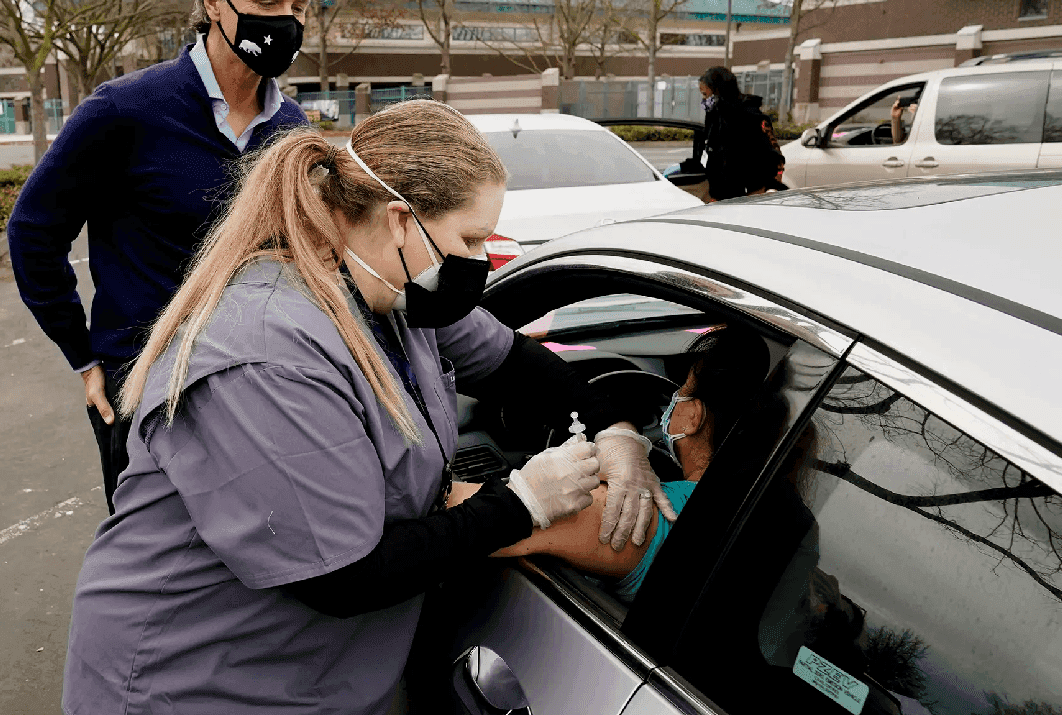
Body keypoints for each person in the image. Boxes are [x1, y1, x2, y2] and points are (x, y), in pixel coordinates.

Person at [62, 99, 676, 715]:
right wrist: (522, 505)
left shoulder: (393, 296)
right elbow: (342, 577)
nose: (480, 260)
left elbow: (512, 362)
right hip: (192, 676)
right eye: (470, 238)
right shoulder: (265, 355)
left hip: (304, 671)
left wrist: (616, 430)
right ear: (401, 220)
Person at [7, 0, 311, 515]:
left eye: (300, 7)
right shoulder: (124, 111)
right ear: (213, 0)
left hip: (260, 384)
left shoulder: (291, 132)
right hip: (146, 388)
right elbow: (33, 232)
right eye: (267, 1)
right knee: (159, 577)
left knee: (254, 566)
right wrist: (87, 357)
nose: (286, 22)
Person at [456, 325, 772, 602]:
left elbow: (453, 516)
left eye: (683, 389)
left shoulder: (629, 510)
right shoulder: (787, 513)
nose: (673, 400)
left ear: (692, 416)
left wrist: (532, 489)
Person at [689, 66, 787, 201]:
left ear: (718, 91)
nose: (704, 101)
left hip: (746, 192)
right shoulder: (716, 118)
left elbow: (772, 154)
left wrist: (755, 192)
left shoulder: (748, 116)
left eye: (706, 95)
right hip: (724, 192)